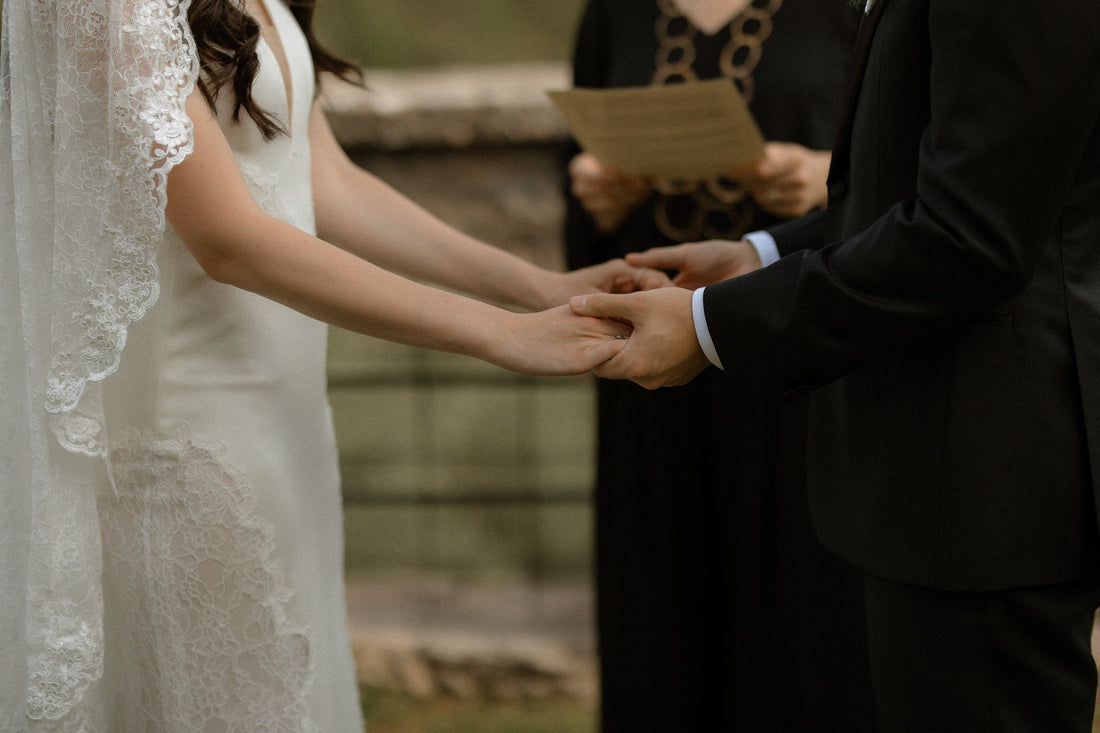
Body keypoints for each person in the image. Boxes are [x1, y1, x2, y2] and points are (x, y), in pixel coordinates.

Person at [0, 0, 639, 729]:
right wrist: (501, 334)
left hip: (289, 423)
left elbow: (327, 182)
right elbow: (228, 238)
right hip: (189, 440)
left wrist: (540, 289)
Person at [571, 0, 1100, 730]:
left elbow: (971, 234)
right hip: (934, 467)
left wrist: (711, 323)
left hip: (985, 475)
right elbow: (931, 186)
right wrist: (762, 255)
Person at [562, 1, 872, 730]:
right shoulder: (614, 11)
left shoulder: (848, 9)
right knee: (660, 609)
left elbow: (905, 177)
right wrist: (595, 196)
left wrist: (827, 181)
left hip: (801, 366)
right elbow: (574, 187)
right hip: (654, 375)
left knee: (807, 617)